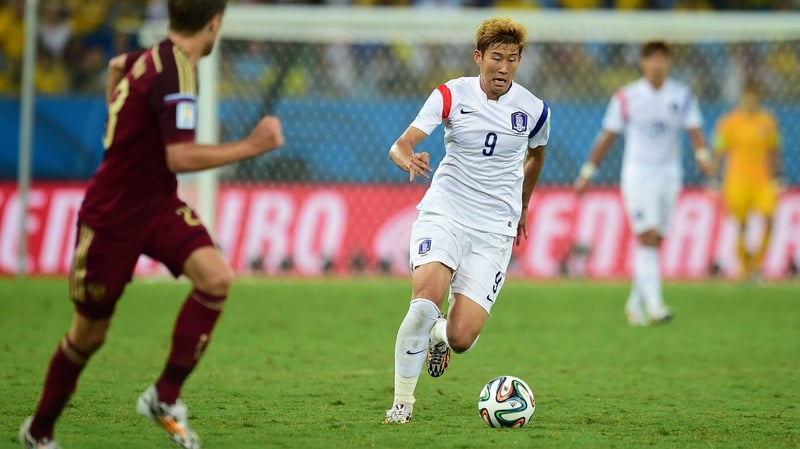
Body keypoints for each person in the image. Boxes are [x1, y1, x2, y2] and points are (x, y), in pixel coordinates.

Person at [19, 1, 285, 448]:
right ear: (214, 23)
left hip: (156, 204)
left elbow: (115, 66)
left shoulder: (153, 57)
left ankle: (163, 397)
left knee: (216, 278)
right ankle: (39, 431)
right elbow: (178, 157)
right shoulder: (176, 70)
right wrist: (251, 146)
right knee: (88, 335)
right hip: (112, 215)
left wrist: (120, 125)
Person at [384, 16, 550, 424]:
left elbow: (536, 156)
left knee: (461, 338)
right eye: (496, 57)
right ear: (479, 57)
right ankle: (402, 404)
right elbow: (401, 144)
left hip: (495, 229)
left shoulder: (535, 110)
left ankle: (438, 339)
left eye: (512, 59)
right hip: (446, 212)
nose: (504, 67)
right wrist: (408, 157)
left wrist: (524, 205)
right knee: (423, 305)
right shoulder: (449, 95)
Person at [574, 40, 711, 327]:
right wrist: (588, 171)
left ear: (669, 63)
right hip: (638, 174)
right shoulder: (627, 97)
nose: (657, 64)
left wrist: (702, 155)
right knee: (647, 236)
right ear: (643, 63)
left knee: (656, 240)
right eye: (652, 59)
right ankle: (655, 306)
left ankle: (634, 304)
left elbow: (695, 130)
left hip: (669, 175)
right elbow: (607, 137)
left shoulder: (682, 95)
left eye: (662, 59)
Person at [711, 80, 783, 284]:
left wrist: (777, 175)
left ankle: (757, 263)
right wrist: (713, 177)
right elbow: (719, 150)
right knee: (741, 225)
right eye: (748, 98)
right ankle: (745, 269)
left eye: (755, 98)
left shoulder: (768, 121)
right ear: (743, 98)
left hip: (763, 180)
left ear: (759, 98)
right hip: (737, 180)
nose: (751, 102)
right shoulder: (729, 122)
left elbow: (773, 150)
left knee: (770, 220)